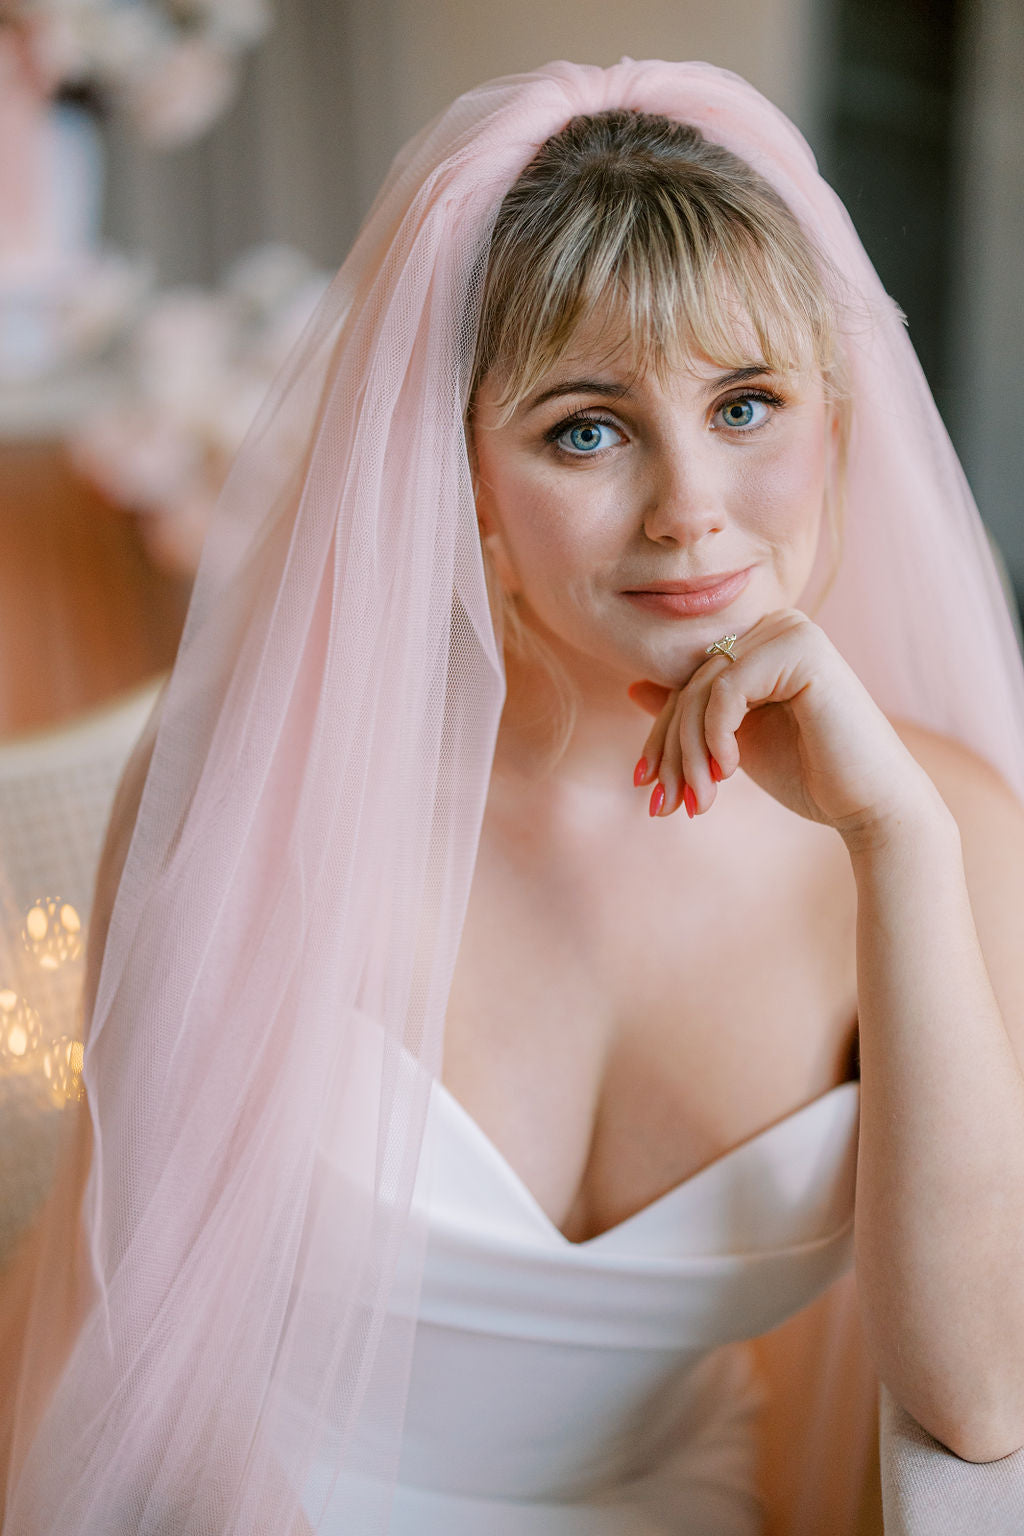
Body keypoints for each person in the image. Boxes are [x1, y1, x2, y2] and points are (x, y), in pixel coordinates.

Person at [3, 56, 1024, 1536]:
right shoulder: (264, 791)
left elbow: (983, 1397)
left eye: (748, 405)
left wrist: (896, 843)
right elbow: (145, 1341)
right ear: (458, 477)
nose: (692, 508)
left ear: (839, 423)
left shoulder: (950, 832)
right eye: (586, 430)